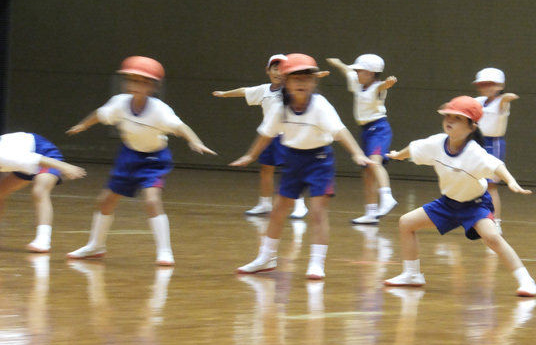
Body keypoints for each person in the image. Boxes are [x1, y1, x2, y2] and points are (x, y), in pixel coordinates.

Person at [230, 53, 371, 278]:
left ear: (315, 82)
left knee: (317, 212)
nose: (302, 83)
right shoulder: (280, 108)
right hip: (293, 160)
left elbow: (339, 131)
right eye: (296, 79)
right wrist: (250, 156)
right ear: (285, 82)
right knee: (277, 211)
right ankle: (266, 258)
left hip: (319, 162)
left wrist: (357, 153)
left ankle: (317, 263)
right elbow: (266, 135)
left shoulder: (320, 105)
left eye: (307, 79)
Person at [66, 56, 216, 265]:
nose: (135, 85)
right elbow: (100, 115)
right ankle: (96, 246)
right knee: (105, 201)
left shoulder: (160, 111)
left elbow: (181, 127)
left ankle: (165, 252)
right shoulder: (119, 103)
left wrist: (195, 141)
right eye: (131, 80)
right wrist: (83, 125)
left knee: (151, 201)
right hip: (128, 156)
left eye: (141, 81)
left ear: (152, 87)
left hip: (154, 159)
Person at [383, 95, 536, 297]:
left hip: (475, 205)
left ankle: (527, 281)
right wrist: (397, 156)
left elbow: (496, 165)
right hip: (448, 204)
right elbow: (413, 148)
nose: (450, 121)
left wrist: (510, 181)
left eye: (457, 118)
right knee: (406, 223)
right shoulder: (437, 143)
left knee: (492, 237)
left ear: (471, 127)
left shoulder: (474, 152)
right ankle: (412, 275)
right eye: (448, 116)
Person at [212, 54, 308, 219]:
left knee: (291, 171)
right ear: (268, 70)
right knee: (265, 170)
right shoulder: (264, 90)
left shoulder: (290, 88)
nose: (278, 72)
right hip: (268, 136)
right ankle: (264, 204)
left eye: (282, 69)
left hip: (287, 136)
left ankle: (300, 205)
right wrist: (224, 93)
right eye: (274, 68)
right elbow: (245, 91)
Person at [325, 54, 398, 224]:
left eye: (359, 71)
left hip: (379, 129)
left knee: (374, 163)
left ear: (370, 73)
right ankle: (371, 213)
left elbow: (383, 86)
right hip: (366, 130)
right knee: (366, 171)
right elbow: (346, 71)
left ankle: (387, 197)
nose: (356, 73)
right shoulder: (358, 83)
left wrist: (389, 82)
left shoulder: (377, 87)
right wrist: (338, 62)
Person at [0, 132, 87, 252]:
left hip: (44, 154)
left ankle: (43, 240)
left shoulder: (6, 156)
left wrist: (65, 167)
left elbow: (40, 159)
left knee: (39, 191)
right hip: (23, 160)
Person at [473, 68, 518, 233]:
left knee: (490, 186)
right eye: (483, 84)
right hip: (475, 143)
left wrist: (506, 98)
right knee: (471, 181)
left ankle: (496, 221)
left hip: (493, 144)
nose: (486, 87)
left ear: (500, 85)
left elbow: (503, 101)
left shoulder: (501, 102)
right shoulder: (478, 100)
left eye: (491, 84)